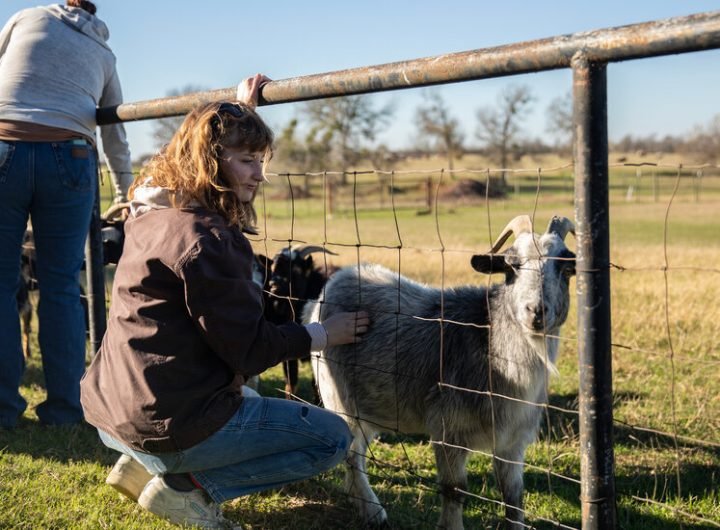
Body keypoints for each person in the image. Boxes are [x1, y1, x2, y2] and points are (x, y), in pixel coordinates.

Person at [80, 74, 370, 529]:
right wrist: (322, 334)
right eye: (247, 161)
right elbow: (250, 349)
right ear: (212, 164)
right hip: (164, 423)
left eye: (261, 160)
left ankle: (145, 462)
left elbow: (185, 152)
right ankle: (187, 488)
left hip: (111, 411)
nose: (260, 174)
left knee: (246, 394)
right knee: (330, 438)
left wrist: (240, 112)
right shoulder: (208, 239)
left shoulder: (149, 207)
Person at [0, 0, 133, 428]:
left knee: (1, 285)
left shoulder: (26, 18)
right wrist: (124, 191)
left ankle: (3, 409)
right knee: (61, 288)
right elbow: (115, 131)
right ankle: (64, 411)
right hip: (72, 153)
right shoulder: (105, 54)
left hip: (5, 143)